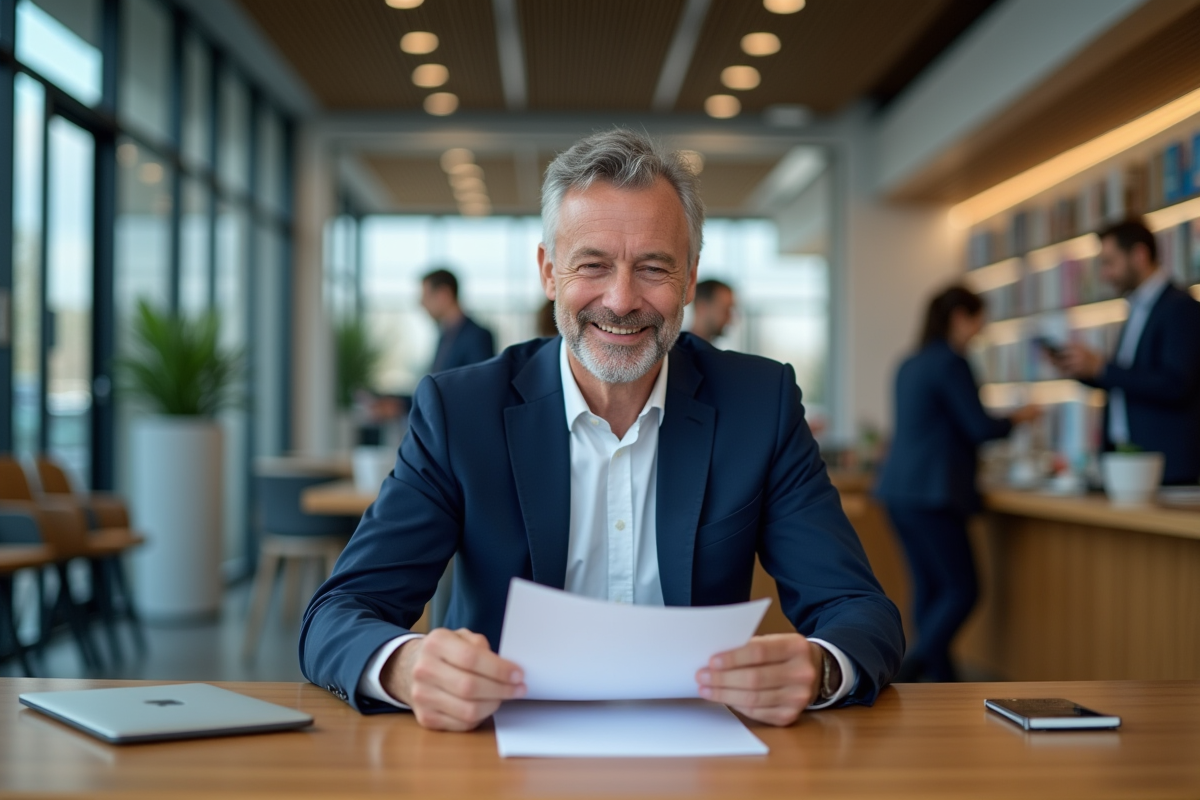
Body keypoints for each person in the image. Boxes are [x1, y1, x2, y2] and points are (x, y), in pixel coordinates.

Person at [300, 129, 903, 731]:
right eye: (592, 264)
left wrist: (820, 668)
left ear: (689, 279)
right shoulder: (461, 411)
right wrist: (406, 666)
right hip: (492, 752)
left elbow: (859, 610)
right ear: (549, 272)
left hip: (704, 754)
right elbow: (339, 613)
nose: (621, 300)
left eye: (653, 268)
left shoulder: (758, 404)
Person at [875, 286, 1039, 683]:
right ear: (960, 318)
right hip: (933, 493)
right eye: (978, 320)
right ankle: (911, 666)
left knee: (929, 588)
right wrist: (1020, 417)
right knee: (963, 589)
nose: (980, 330)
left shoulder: (909, 362)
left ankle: (941, 679)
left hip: (898, 490)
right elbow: (979, 427)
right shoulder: (952, 362)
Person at [1053, 219, 1200, 484]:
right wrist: (1085, 370)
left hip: (1165, 466)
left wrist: (1103, 368)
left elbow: (1176, 384)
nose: (1104, 274)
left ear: (1139, 255)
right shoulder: (1135, 309)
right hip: (1125, 462)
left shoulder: (1180, 308)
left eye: (1110, 262)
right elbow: (1129, 381)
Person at [421, 268, 496, 373]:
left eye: (426, 296)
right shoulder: (445, 336)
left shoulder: (477, 336)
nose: (422, 303)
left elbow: (481, 382)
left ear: (444, 294)